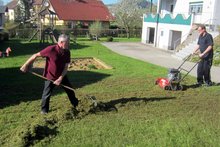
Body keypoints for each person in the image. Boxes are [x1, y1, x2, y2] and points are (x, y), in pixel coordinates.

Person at [20, 34, 78, 114]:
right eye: (67, 43)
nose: (69, 44)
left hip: (62, 76)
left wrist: (60, 78)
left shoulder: (67, 52)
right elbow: (35, 55)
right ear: (61, 42)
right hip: (50, 77)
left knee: (70, 90)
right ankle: (44, 111)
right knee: (46, 95)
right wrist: (25, 65)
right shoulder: (51, 49)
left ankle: (76, 105)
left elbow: (66, 67)